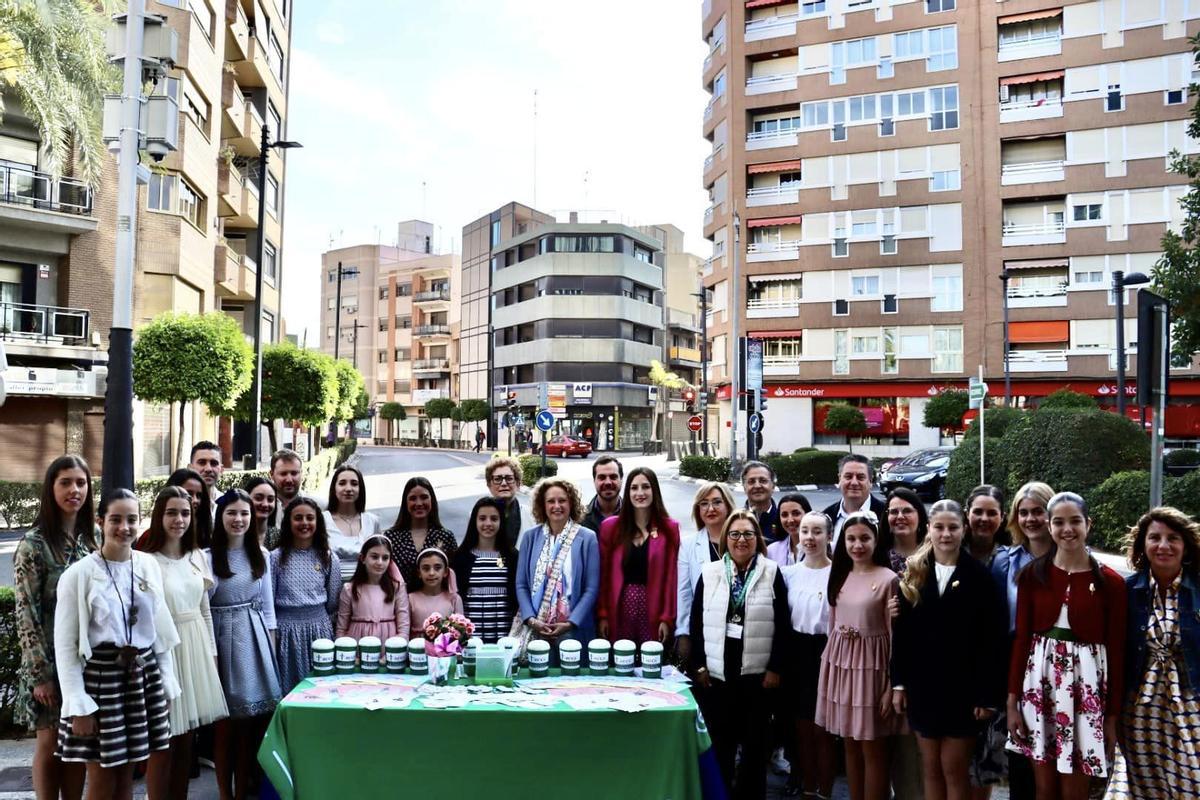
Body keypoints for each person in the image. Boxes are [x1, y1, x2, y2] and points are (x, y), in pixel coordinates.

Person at [54, 489, 181, 799]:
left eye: (132, 519)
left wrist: (166, 681)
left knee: (128, 774)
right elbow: (66, 646)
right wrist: (78, 704)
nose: (125, 527)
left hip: (141, 677)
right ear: (101, 521)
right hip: (100, 683)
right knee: (102, 777)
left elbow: (160, 631)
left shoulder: (147, 565)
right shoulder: (78, 575)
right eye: (116, 519)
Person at [1006, 492, 1127, 799]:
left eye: (1075, 521)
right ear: (1049, 526)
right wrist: (1012, 702)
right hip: (1040, 688)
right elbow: (1022, 640)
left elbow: (1116, 651)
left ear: (1088, 524)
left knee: (1075, 790)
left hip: (1086, 692)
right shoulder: (1033, 576)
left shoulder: (1110, 582)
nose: (1067, 529)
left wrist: (1112, 716)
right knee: (1044, 788)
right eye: (1059, 522)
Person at [892, 500, 1006, 800]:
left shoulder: (980, 577)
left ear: (963, 529)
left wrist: (987, 695)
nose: (945, 534)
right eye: (939, 527)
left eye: (952, 527)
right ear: (928, 529)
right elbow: (902, 635)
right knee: (930, 767)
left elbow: (992, 642)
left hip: (963, 692)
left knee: (953, 769)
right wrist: (899, 684)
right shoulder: (914, 573)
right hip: (923, 688)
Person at [688, 510, 789, 799]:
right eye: (734, 534)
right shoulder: (710, 573)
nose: (741, 540)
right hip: (718, 674)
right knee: (720, 745)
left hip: (756, 676)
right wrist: (699, 666)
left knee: (755, 748)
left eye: (747, 534)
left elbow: (783, 624)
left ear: (757, 538)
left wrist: (775, 668)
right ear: (725, 538)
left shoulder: (771, 572)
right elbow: (696, 623)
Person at [139, 487, 229, 800]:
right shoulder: (146, 561)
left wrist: (211, 656)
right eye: (172, 513)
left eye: (185, 513)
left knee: (186, 740)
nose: (179, 519)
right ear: (159, 516)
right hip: (164, 650)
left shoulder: (197, 556)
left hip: (195, 648)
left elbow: (204, 610)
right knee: (162, 741)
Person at [14, 455, 95, 800]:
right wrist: (40, 674)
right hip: (48, 662)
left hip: (84, 661)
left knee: (77, 743)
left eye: (81, 482)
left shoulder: (93, 540)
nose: (74, 490)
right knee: (49, 745)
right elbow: (25, 612)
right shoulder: (34, 545)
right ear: (51, 488)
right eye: (65, 482)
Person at [1104, 506, 1200, 799]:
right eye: (1154, 538)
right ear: (1143, 545)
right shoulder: (1126, 590)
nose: (1163, 545)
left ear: (1185, 545)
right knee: (1145, 787)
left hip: (1191, 704)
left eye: (1173, 538)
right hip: (1139, 709)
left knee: (1191, 783)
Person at [815, 511, 897, 800]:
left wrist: (891, 685)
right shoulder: (840, 575)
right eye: (851, 539)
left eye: (864, 538)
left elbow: (894, 636)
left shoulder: (888, 579)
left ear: (876, 540)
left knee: (872, 747)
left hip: (872, 670)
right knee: (849, 743)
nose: (857, 545)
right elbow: (833, 624)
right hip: (842, 667)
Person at [208, 488, 281, 800]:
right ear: (220, 517)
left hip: (253, 639)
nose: (238, 519)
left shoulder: (260, 555)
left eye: (244, 513)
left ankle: (243, 791)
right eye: (231, 513)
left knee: (249, 726)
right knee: (225, 726)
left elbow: (268, 609)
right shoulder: (207, 557)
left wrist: (270, 652)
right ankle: (225, 792)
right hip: (222, 638)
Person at [989, 481, 1054, 800]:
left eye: (1038, 511)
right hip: (1014, 666)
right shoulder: (1005, 561)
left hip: (1059, 668)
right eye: (1023, 512)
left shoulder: (1071, 558)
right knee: (1021, 757)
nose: (1030, 519)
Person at [781, 511, 837, 799]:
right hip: (796, 653)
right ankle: (808, 787)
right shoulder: (788, 574)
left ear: (829, 536)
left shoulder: (839, 574)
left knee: (823, 729)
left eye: (817, 531)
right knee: (801, 727)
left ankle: (825, 791)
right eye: (805, 531)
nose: (810, 538)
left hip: (826, 653)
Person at [514, 478, 601, 654]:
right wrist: (531, 620)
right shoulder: (530, 537)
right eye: (550, 501)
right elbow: (521, 584)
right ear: (542, 505)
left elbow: (591, 588)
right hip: (536, 628)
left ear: (571, 503)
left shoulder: (587, 538)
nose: (557, 506)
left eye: (562, 500)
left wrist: (571, 623)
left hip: (574, 630)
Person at [597, 467, 680, 645]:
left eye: (646, 487)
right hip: (619, 607)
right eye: (634, 488)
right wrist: (603, 614)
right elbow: (604, 575)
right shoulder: (611, 528)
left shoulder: (669, 529)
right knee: (621, 657)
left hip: (654, 608)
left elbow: (671, 578)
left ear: (654, 490)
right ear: (627, 493)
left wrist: (667, 618)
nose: (640, 493)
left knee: (650, 658)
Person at [270, 497, 340, 694]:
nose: (304, 523)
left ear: (318, 522)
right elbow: (270, 598)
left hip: (319, 630)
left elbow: (333, 600)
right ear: (288, 522)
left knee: (321, 687)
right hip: (286, 632)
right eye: (298, 518)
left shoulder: (328, 557)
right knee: (291, 688)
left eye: (310, 518)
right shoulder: (276, 558)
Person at [676, 482, 735, 666]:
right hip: (703, 629)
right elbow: (684, 593)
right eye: (704, 503)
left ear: (728, 506)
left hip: (738, 629)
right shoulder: (688, 545)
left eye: (717, 502)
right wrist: (683, 633)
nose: (710, 508)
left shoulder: (741, 539)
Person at [451, 498, 517, 643]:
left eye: (494, 519)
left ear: (501, 522)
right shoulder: (460, 558)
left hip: (505, 636)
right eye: (482, 518)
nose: (488, 523)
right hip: (471, 638)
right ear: (474, 522)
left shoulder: (512, 557)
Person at [384, 477, 457, 589]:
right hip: (399, 598)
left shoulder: (445, 537)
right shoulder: (391, 538)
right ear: (405, 502)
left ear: (432, 500)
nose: (419, 503)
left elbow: (454, 576)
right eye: (413, 498)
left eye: (424, 497)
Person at [336, 536, 410, 642]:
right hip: (358, 644)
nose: (380, 562)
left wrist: (396, 648)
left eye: (385, 558)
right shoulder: (350, 589)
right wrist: (346, 649)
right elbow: (341, 629)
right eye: (374, 557)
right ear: (363, 558)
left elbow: (403, 628)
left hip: (389, 644)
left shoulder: (397, 588)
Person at [323, 464, 381, 582]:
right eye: (342, 483)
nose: (348, 488)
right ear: (334, 488)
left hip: (366, 587)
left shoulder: (372, 521)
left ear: (360, 489)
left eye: (354, 484)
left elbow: (381, 556)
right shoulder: (322, 520)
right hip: (330, 587)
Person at [823, 454, 890, 549]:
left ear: (870, 481)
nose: (854, 482)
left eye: (860, 477)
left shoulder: (886, 516)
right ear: (839, 479)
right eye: (848, 477)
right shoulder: (826, 516)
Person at [407, 549, 463, 638]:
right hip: (418, 645)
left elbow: (460, 631)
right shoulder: (410, 599)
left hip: (446, 645)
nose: (431, 573)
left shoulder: (454, 598)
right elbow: (405, 629)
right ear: (419, 573)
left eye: (437, 568)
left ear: (445, 572)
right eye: (426, 568)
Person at [167, 467, 213, 549]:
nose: (195, 500)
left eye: (199, 496)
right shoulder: (149, 538)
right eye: (189, 494)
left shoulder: (206, 534)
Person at [887, 488, 928, 575]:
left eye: (907, 511)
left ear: (920, 516)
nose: (900, 516)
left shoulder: (932, 554)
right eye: (894, 512)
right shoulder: (876, 554)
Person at [484, 457, 524, 547]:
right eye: (497, 479)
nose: (504, 483)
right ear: (489, 485)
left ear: (518, 484)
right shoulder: (477, 516)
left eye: (509, 478)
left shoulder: (531, 516)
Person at [966, 486, 1009, 568]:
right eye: (978, 512)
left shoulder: (1013, 558)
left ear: (1002, 517)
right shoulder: (952, 550)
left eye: (992, 513)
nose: (984, 519)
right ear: (967, 514)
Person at [766, 492, 814, 567]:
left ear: (807, 514)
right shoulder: (772, 551)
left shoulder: (821, 547)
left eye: (796, 514)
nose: (790, 520)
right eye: (784, 515)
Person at [740, 460, 782, 543]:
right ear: (744, 487)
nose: (757, 486)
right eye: (751, 481)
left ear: (773, 486)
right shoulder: (736, 520)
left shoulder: (783, 520)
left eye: (763, 481)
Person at [581, 455, 623, 534]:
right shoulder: (580, 519)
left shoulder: (635, 516)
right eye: (602, 477)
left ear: (621, 480)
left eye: (613, 477)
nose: (608, 482)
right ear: (594, 481)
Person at [269, 449, 304, 529]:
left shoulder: (320, 506)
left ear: (301, 473)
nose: (289, 480)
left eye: (294, 473)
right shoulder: (261, 508)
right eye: (283, 474)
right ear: (272, 474)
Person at [244, 476, 280, 551]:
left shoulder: (280, 537)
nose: (265, 504)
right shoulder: (236, 534)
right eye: (258, 498)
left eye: (270, 499)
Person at [189, 441, 224, 507]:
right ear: (190, 468)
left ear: (221, 469)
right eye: (202, 462)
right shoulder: (180, 503)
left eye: (214, 463)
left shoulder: (226, 504)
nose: (208, 469)